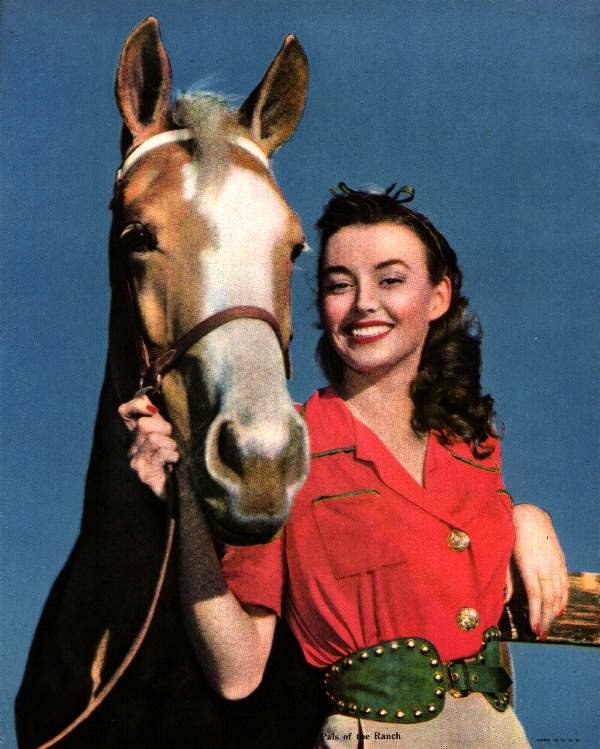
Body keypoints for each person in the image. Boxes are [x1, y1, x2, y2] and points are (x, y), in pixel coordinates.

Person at [119, 184, 568, 748]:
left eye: (390, 280)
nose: (363, 304)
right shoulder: (283, 448)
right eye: (339, 285)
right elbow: (237, 670)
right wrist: (183, 497)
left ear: (438, 297)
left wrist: (527, 518)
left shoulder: (471, 446)